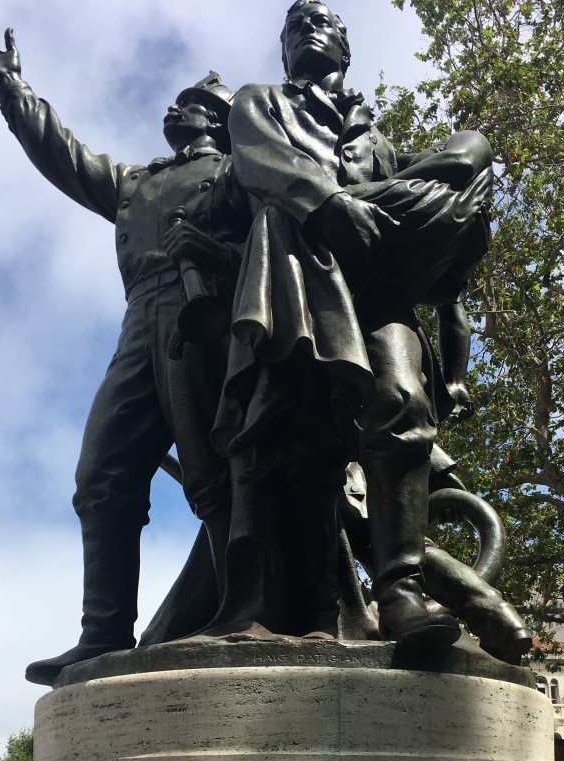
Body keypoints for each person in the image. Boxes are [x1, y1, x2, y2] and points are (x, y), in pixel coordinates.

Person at [0, 19, 251, 684]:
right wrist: (15, 89)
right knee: (102, 472)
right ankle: (102, 636)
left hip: (205, 314)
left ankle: (243, 608)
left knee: (214, 477)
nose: (170, 108)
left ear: (212, 118)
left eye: (185, 101)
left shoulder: (243, 172)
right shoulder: (134, 181)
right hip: (139, 321)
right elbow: (65, 156)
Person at [212, 1, 496, 644]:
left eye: (323, 23)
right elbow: (263, 166)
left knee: (402, 401)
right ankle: (317, 608)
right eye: (293, 28)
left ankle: (400, 595)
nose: (306, 31)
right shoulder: (258, 102)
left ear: (345, 48)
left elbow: (413, 223)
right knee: (303, 446)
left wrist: (449, 238)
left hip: (375, 291)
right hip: (300, 278)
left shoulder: (378, 140)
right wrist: (331, 202)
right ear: (284, 52)